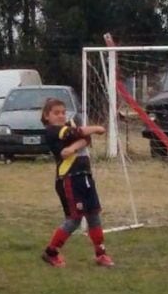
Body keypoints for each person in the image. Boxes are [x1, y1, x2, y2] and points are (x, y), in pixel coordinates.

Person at [39, 98, 114, 267]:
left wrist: (73, 147)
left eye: (63, 112)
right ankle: (51, 252)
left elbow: (85, 139)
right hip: (69, 179)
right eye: (56, 113)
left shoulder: (69, 128)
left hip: (85, 176)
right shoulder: (52, 131)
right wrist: (96, 128)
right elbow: (77, 133)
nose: (60, 116)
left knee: (93, 214)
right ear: (46, 116)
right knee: (74, 219)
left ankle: (101, 254)